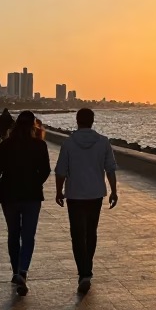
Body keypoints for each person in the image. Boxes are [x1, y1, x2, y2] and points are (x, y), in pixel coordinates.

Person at [0, 110, 51, 296]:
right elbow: (46, 170)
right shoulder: (40, 145)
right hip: (31, 196)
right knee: (28, 236)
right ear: (33, 125)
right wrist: (35, 182)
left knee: (13, 234)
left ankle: (16, 271)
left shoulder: (6, 145)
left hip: (9, 195)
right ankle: (23, 270)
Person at [54, 108, 118, 295]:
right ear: (92, 121)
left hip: (74, 195)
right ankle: (87, 269)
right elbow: (110, 169)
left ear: (77, 120)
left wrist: (59, 191)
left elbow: (60, 171)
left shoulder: (68, 143)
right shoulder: (103, 142)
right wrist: (113, 191)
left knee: (77, 235)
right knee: (91, 232)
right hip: (95, 194)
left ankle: (83, 272)